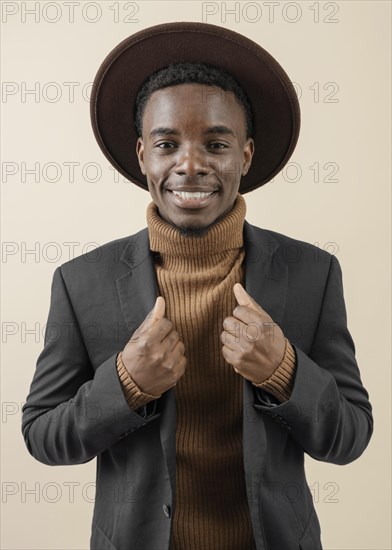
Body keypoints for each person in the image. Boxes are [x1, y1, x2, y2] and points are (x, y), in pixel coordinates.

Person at [22, 22, 373, 550]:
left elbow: (349, 437)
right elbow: (43, 436)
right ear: (143, 156)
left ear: (246, 156)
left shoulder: (312, 274)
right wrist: (125, 383)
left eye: (215, 143)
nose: (190, 164)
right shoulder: (80, 282)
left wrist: (285, 370)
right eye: (167, 144)